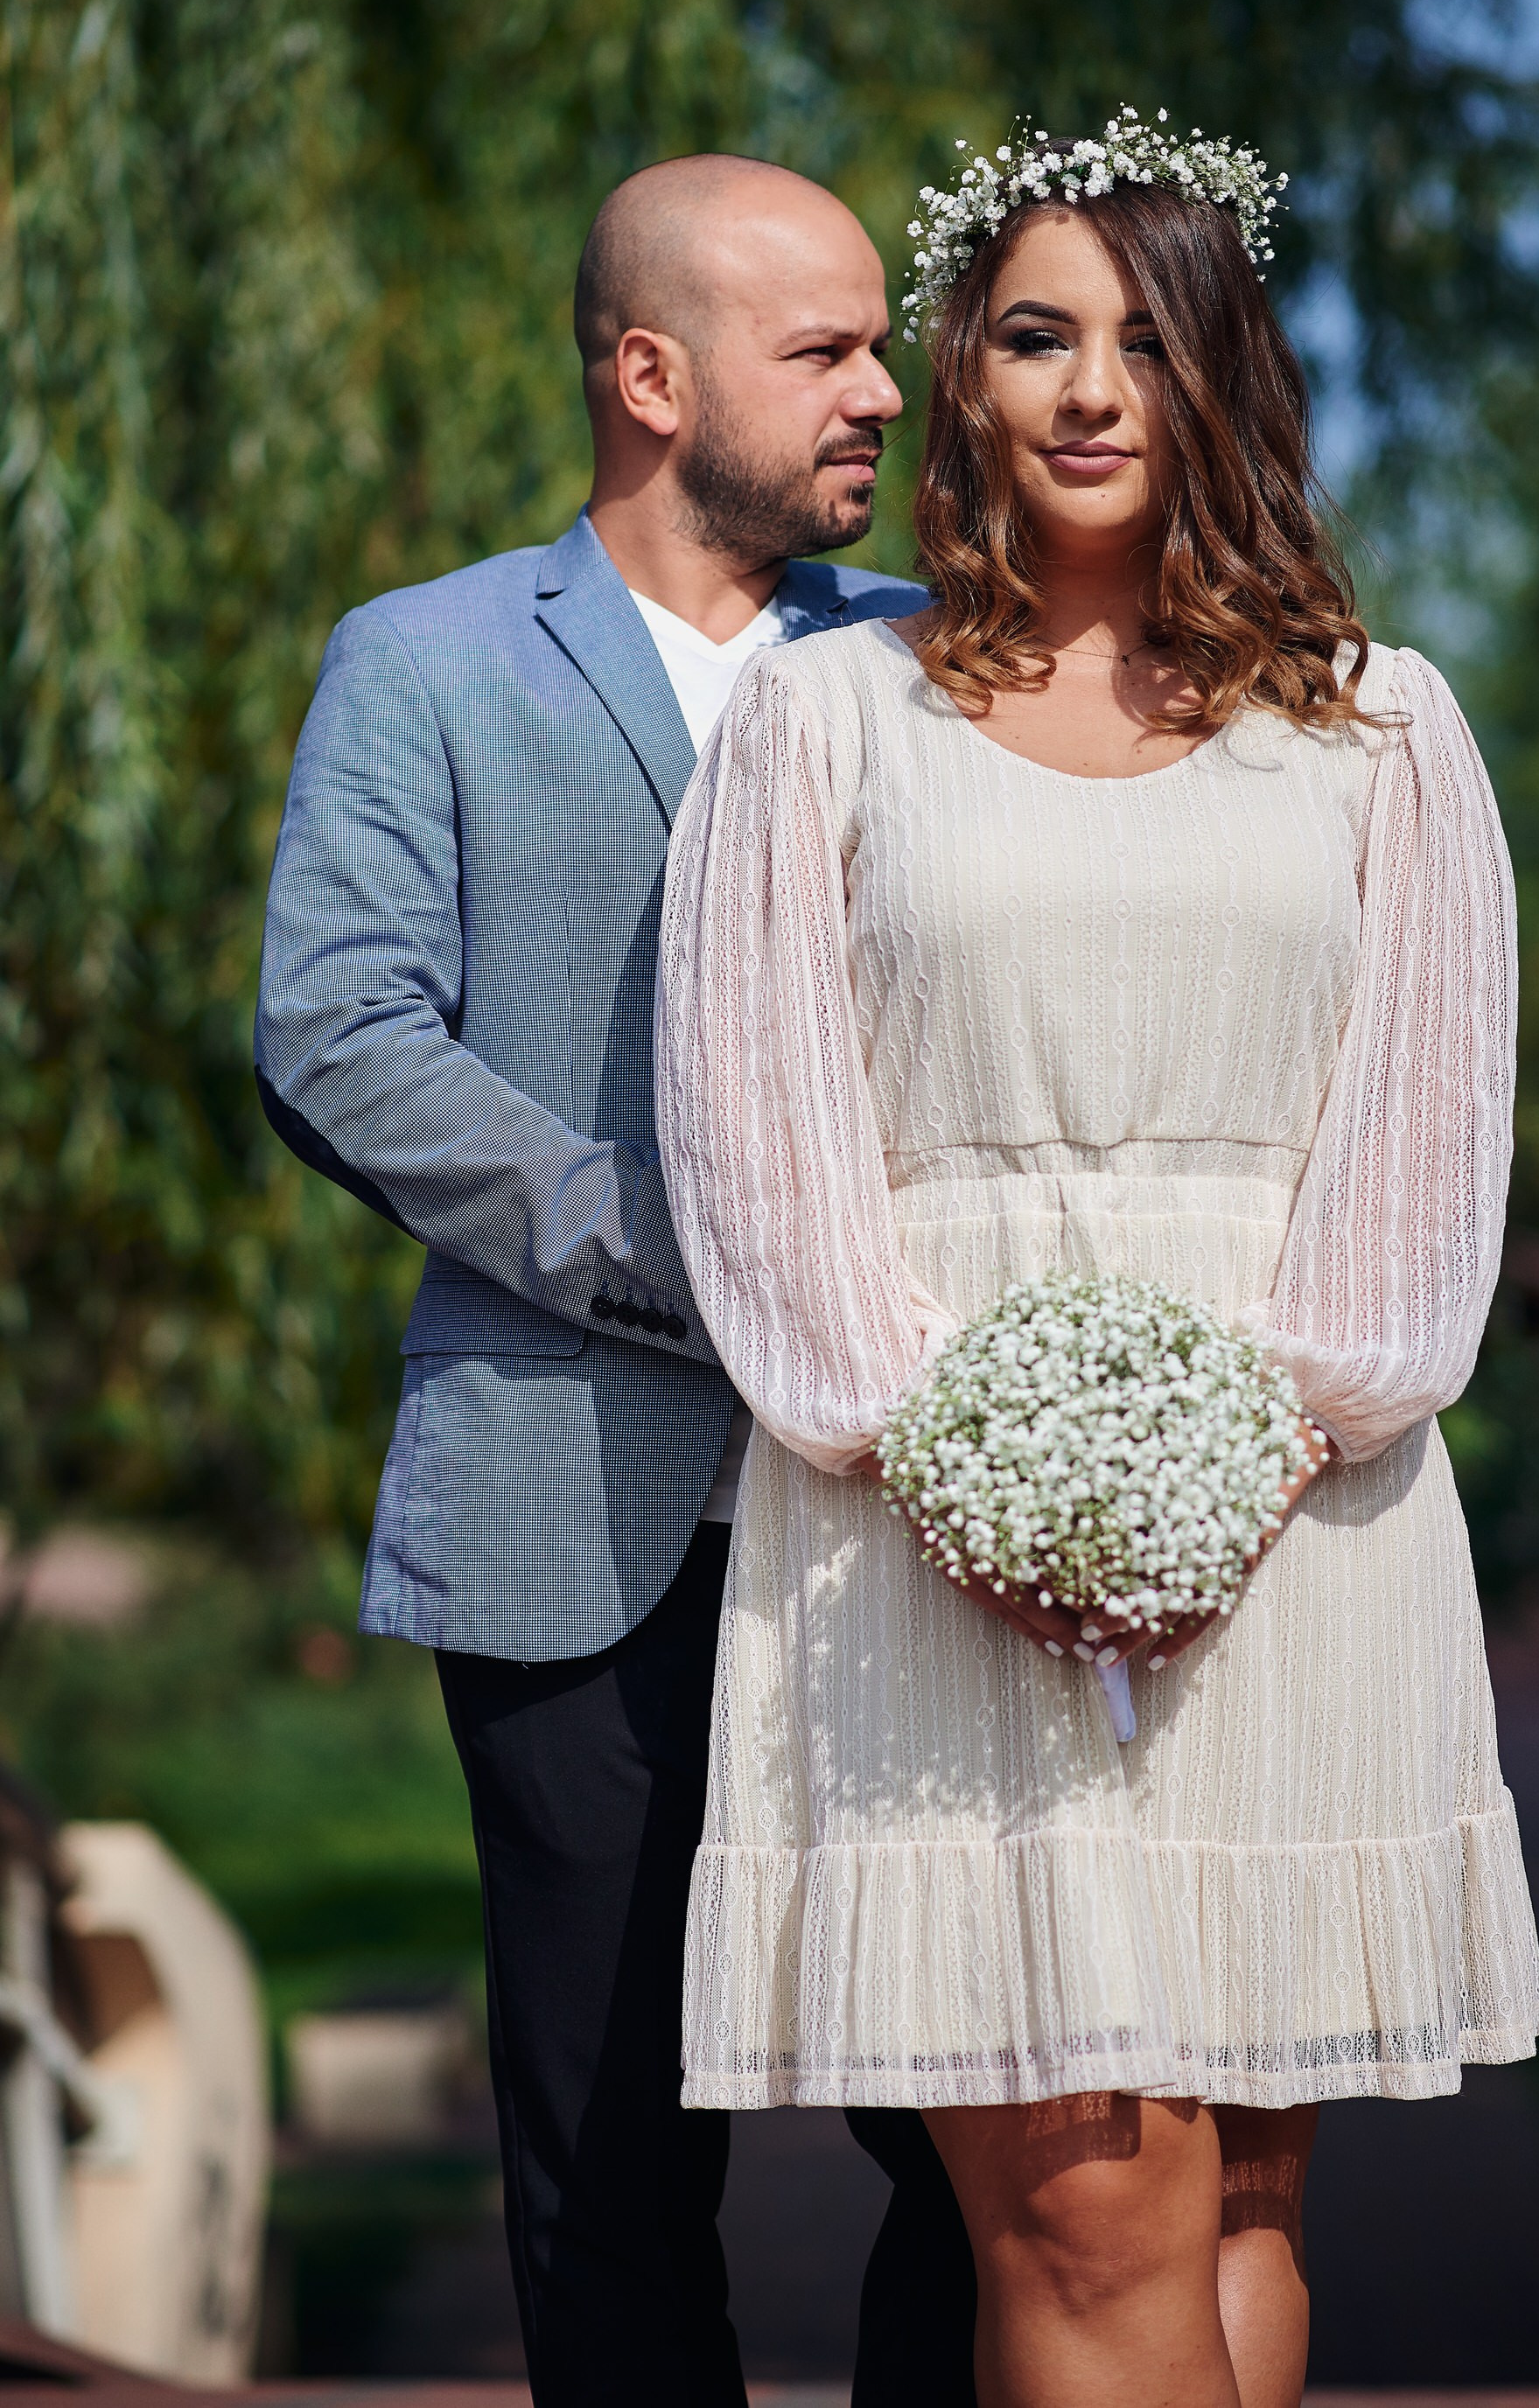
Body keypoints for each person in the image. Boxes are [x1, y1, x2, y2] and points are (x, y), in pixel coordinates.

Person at [656, 120, 1539, 2408]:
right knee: (1079, 2214)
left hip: (1309, 1522)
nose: (1086, 385)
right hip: (931, 1536)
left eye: (1147, 337)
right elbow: (761, 1145)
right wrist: (967, 1466)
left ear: (1226, 372)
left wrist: (1247, 1446)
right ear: (964, 378)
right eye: (1036, 332)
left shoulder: (1387, 725)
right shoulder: (819, 718)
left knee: (1248, 2194)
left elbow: (1422, 1152)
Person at [255, 154, 976, 2408]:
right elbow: (343, 1036)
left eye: (885, 340)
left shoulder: (939, 665)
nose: (891, 388)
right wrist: (701, 1270)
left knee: (973, 2137)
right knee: (606, 2165)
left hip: (909, 1524)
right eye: (829, 348)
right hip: (569, 1506)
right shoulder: (427, 661)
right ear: (652, 378)